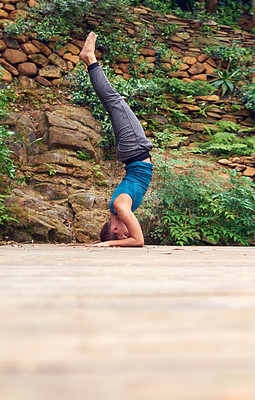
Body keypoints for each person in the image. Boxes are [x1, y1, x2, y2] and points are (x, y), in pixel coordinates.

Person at [80, 32, 153, 247]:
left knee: (113, 100)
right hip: (133, 154)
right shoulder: (118, 207)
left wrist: (109, 244)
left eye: (123, 235)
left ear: (114, 229)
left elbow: (138, 241)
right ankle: (89, 59)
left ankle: (90, 58)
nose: (128, 233)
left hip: (135, 151)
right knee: (113, 103)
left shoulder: (120, 206)